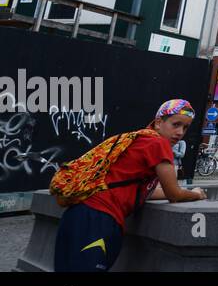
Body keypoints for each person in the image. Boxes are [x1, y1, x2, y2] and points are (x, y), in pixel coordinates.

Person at [52, 99, 206, 272]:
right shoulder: (158, 144)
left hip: (77, 214)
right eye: (176, 124)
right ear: (158, 122)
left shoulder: (140, 139)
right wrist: (196, 194)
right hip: (99, 220)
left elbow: (144, 192)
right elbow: (174, 194)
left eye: (185, 128)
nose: (180, 132)